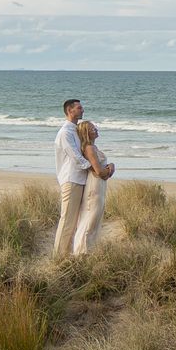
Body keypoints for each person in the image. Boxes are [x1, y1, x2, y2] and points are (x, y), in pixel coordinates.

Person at [53, 98, 97, 259]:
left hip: (79, 179)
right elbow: (76, 157)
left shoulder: (75, 131)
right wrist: (96, 169)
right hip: (71, 180)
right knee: (67, 220)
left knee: (74, 220)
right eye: (79, 108)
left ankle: (68, 253)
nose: (82, 110)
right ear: (70, 111)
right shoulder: (65, 133)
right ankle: (58, 257)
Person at [69, 118, 114, 254]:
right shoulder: (89, 148)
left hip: (99, 185)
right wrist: (111, 168)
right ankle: (81, 252)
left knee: (95, 217)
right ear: (87, 133)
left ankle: (89, 249)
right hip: (94, 185)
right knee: (90, 217)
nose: (97, 130)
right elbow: (99, 171)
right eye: (93, 129)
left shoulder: (93, 147)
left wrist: (108, 169)